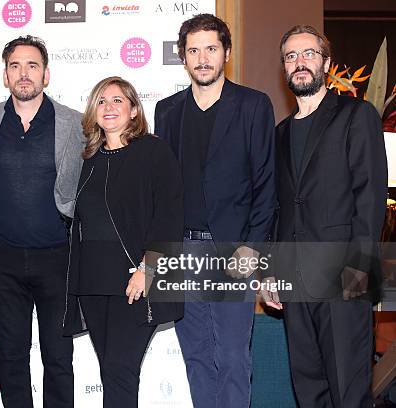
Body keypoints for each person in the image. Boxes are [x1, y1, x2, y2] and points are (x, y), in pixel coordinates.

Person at [154, 14, 277, 408]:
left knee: (232, 358)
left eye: (211, 48)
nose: (202, 58)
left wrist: (252, 248)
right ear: (182, 57)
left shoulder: (253, 105)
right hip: (182, 253)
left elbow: (265, 185)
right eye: (193, 50)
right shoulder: (167, 110)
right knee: (196, 357)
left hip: (232, 252)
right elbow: (163, 189)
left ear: (226, 53)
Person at [262, 25, 387, 408]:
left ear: (327, 63)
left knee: (348, 391)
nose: (300, 63)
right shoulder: (280, 134)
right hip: (295, 282)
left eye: (308, 54)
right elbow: (277, 208)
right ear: (284, 68)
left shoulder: (356, 115)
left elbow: (370, 197)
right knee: (309, 389)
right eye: (291, 56)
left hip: (343, 278)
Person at [0, 35, 84, 408]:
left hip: (57, 257)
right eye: (15, 66)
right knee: (11, 358)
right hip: (3, 259)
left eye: (32, 65)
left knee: (58, 358)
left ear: (46, 74)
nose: (24, 74)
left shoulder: (73, 121)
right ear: (5, 75)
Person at [63, 76, 183, 407]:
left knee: (120, 370)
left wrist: (149, 267)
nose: (109, 107)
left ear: (133, 110)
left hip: (134, 280)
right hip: (92, 283)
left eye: (117, 100)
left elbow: (170, 214)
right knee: (111, 372)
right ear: (93, 111)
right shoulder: (87, 157)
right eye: (101, 101)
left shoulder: (153, 151)